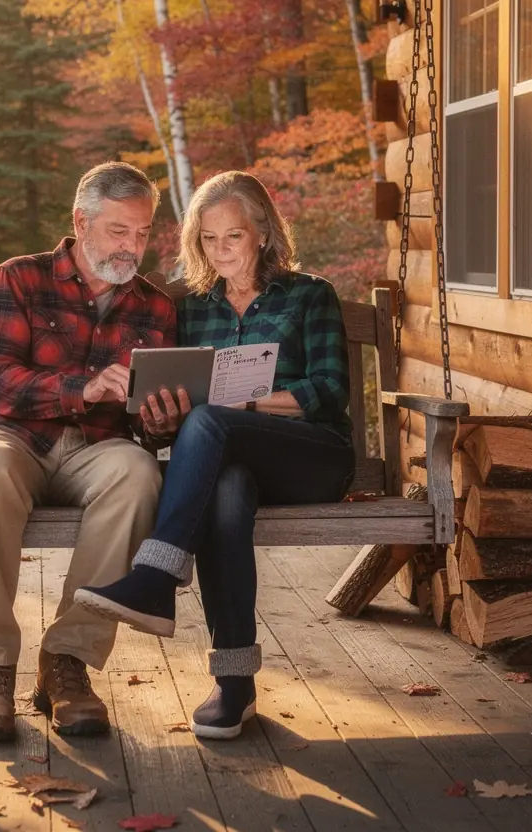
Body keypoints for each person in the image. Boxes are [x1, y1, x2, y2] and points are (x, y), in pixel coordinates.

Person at [76, 170, 356, 740]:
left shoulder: (309, 295)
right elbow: (178, 416)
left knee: (211, 419)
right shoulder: (193, 309)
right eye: (208, 238)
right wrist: (161, 419)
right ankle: (234, 683)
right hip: (233, 464)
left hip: (312, 458)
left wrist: (242, 406)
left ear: (262, 233)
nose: (220, 249)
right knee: (225, 489)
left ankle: (156, 575)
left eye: (234, 236)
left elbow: (330, 391)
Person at [0, 161, 187, 742]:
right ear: (82, 223)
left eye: (142, 233)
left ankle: (66, 662)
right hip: (12, 435)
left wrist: (162, 422)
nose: (132, 247)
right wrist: (82, 388)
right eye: (118, 231)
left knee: (138, 474)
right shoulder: (20, 278)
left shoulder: (155, 308)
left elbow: (147, 428)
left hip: (97, 448)